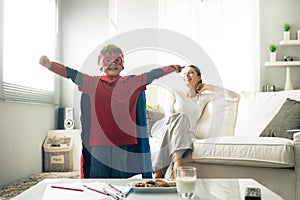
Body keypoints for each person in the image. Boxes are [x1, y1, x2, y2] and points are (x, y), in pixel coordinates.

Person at [39, 44, 183, 178]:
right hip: (98, 142)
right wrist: (50, 65)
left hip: (122, 143)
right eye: (107, 60)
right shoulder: (92, 82)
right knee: (98, 179)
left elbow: (153, 74)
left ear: (122, 65)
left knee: (118, 181)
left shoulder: (131, 82)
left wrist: (172, 67)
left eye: (117, 60)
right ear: (100, 65)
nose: (113, 63)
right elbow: (71, 74)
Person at [150, 65, 216, 179]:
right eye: (184, 73)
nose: (186, 75)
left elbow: (233, 96)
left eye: (191, 72)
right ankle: (178, 163)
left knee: (183, 119)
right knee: (181, 117)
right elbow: (168, 115)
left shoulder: (203, 98)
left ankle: (158, 169)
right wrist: (180, 121)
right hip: (166, 127)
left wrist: (208, 87)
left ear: (199, 77)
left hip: (187, 134)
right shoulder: (174, 92)